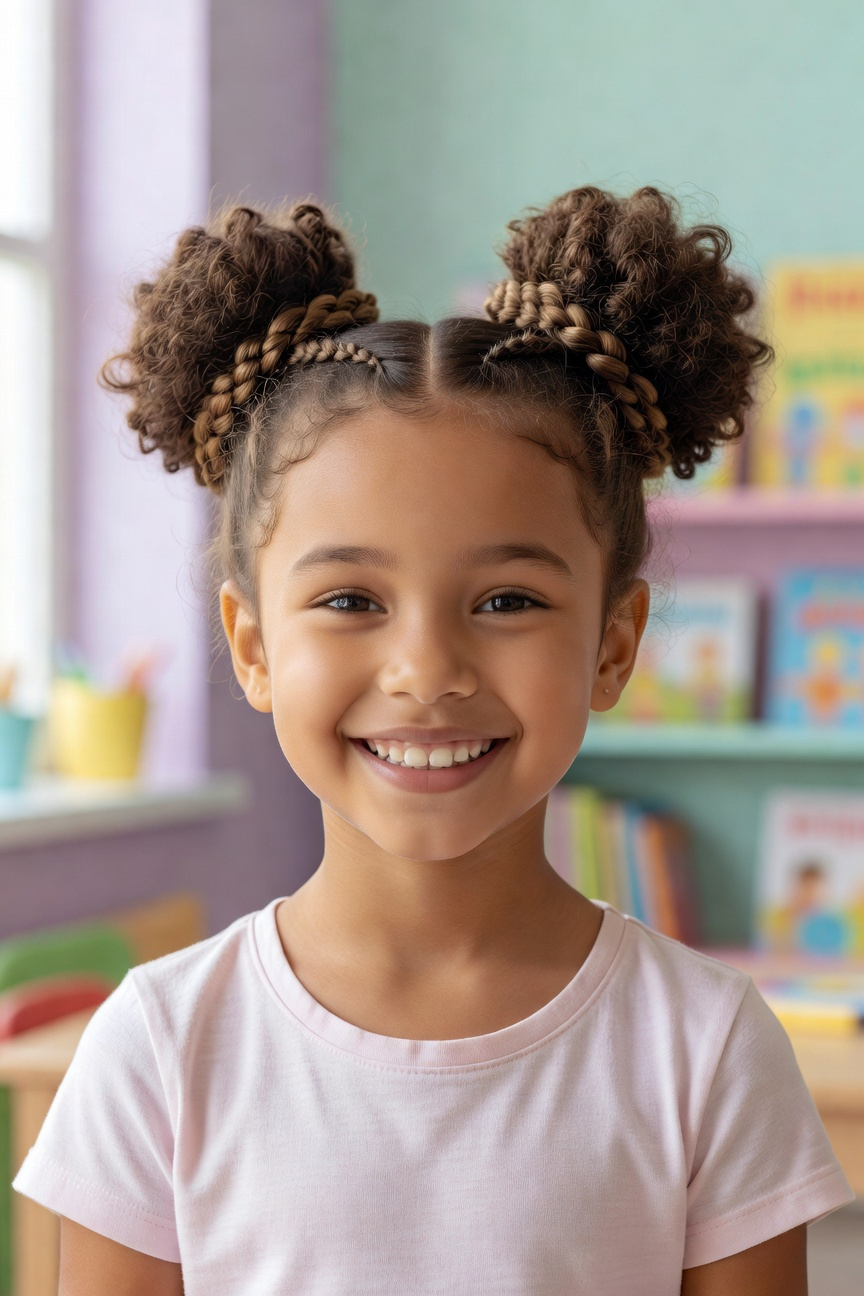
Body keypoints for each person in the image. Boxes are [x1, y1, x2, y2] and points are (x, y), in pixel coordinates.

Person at [13, 187, 855, 1294]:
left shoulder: (705, 1050)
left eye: (507, 601)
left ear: (613, 644)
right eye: (352, 601)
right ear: (253, 645)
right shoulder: (160, 1049)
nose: (427, 671)